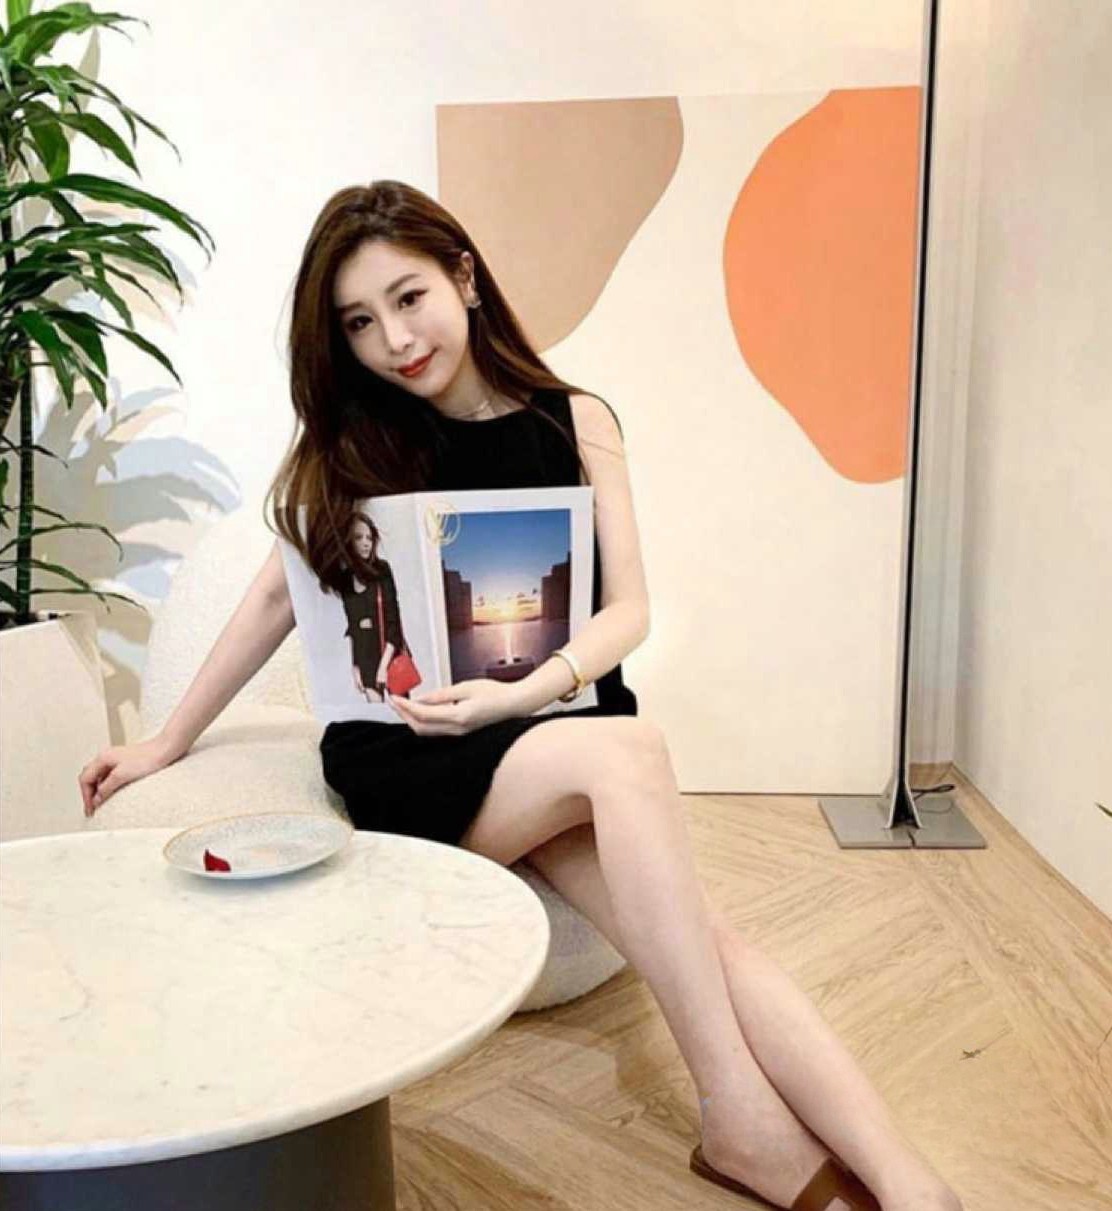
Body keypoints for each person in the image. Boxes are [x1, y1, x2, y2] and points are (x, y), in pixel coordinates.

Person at [79, 181, 961, 1211]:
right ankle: (737, 1113)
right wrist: (166, 738)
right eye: (358, 322)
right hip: (414, 756)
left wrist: (523, 695)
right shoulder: (356, 444)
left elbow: (629, 609)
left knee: (708, 936)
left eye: (409, 298)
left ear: (463, 276)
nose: (394, 341)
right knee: (631, 758)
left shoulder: (575, 419)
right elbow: (279, 594)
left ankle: (910, 1183)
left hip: (548, 725)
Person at [336, 511, 408, 702]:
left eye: (369, 537)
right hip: (365, 659)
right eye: (359, 537)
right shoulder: (345, 579)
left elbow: (393, 621)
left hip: (389, 655)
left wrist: (384, 667)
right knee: (376, 716)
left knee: (402, 714)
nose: (366, 543)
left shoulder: (382, 570)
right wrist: (355, 667)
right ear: (348, 541)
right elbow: (353, 627)